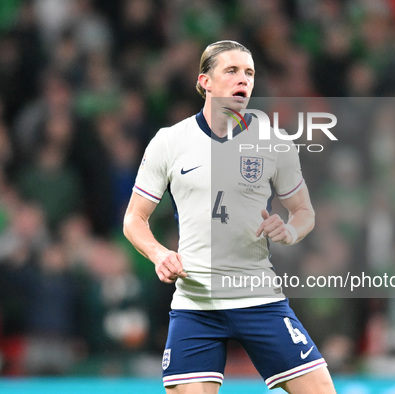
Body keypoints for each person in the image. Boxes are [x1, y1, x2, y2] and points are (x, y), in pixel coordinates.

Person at [123, 40, 336, 393]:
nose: (244, 80)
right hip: (196, 302)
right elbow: (134, 219)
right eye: (232, 71)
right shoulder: (169, 141)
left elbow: (303, 211)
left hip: (259, 298)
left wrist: (289, 230)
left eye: (249, 73)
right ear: (205, 82)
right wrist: (159, 254)